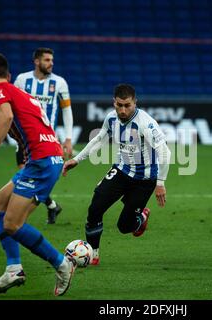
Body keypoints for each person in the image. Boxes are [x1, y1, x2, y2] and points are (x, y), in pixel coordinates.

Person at [0, 52, 76, 296]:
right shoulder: (21, 92)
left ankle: (62, 264)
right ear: (9, 75)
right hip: (45, 158)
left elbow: (7, 116)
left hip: (42, 162)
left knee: (12, 224)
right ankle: (14, 268)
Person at [63, 84, 171, 265]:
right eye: (119, 105)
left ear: (135, 102)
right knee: (96, 206)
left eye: (127, 105)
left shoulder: (145, 123)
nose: (122, 110)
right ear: (114, 102)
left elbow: (165, 153)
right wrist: (77, 159)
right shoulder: (111, 118)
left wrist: (160, 183)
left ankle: (141, 216)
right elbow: (99, 139)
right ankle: (93, 253)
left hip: (144, 180)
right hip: (122, 171)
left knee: (124, 227)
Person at [14, 47, 74, 224]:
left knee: (32, 176)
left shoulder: (60, 82)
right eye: (47, 60)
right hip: (25, 138)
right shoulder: (21, 80)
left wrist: (68, 138)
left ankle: (20, 217)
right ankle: (52, 205)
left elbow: (67, 110)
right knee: (25, 174)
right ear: (37, 61)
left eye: (52, 60)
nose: (51, 63)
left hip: (47, 140)